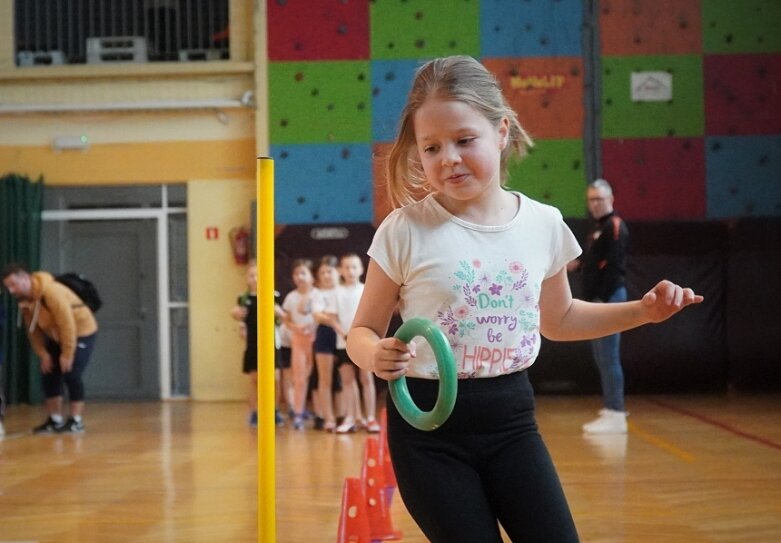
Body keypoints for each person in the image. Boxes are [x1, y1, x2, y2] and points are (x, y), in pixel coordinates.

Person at [346, 55, 703, 542]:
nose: (448, 157)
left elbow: (559, 319)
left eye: (464, 140)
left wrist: (643, 311)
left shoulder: (542, 224)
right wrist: (375, 353)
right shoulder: (404, 230)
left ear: (502, 132)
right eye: (431, 148)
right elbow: (361, 332)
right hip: (428, 432)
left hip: (511, 421)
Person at [2, 264, 99, 434]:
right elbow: (33, 330)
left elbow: (67, 323)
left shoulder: (51, 292)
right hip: (55, 336)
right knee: (49, 373)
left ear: (25, 278)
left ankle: (76, 421)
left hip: (80, 332)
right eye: (8, 287)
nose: (11, 290)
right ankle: (55, 420)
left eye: (14, 284)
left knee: (71, 373)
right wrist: (43, 353)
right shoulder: (25, 300)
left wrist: (67, 353)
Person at [569, 179, 631, 434]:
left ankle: (616, 413)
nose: (595, 204)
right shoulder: (596, 228)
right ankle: (610, 408)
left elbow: (614, 266)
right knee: (601, 357)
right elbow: (595, 262)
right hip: (596, 300)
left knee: (609, 357)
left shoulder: (614, 226)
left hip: (609, 299)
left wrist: (602, 300)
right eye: (591, 199)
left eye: (599, 199)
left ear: (611, 200)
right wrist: (577, 264)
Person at [334, 253, 380, 434]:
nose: (350, 271)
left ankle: (370, 418)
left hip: (364, 344)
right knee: (347, 380)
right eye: (346, 267)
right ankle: (350, 417)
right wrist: (343, 333)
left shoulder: (365, 290)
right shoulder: (336, 292)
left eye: (354, 267)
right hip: (342, 343)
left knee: (366, 379)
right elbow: (332, 317)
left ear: (361, 269)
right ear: (341, 270)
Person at [281, 259, 317, 430]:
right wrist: (297, 328)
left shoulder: (318, 294)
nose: (300, 277)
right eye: (296, 274)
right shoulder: (291, 297)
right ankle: (298, 413)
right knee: (299, 378)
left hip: (316, 340)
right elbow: (286, 320)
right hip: (299, 340)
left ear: (311, 276)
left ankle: (323, 414)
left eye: (303, 273)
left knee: (319, 378)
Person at [311, 255, 343, 432]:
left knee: (346, 378)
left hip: (344, 334)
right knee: (325, 379)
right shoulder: (317, 294)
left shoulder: (344, 291)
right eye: (322, 272)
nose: (326, 275)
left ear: (338, 271)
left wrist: (334, 318)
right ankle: (328, 417)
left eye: (329, 271)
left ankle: (347, 415)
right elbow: (317, 315)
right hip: (325, 335)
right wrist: (333, 319)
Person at [230, 260, 260, 428]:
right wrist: (235, 316)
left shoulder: (273, 295)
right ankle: (255, 412)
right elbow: (238, 315)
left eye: (258, 275)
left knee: (274, 379)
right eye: (251, 275)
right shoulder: (244, 298)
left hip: (271, 343)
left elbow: (281, 317)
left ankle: (274, 411)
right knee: (254, 379)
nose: (255, 278)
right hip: (252, 343)